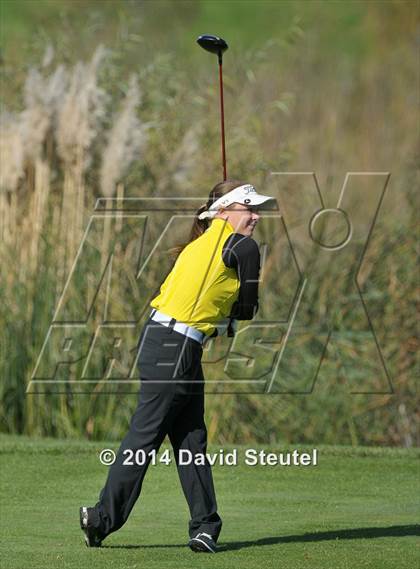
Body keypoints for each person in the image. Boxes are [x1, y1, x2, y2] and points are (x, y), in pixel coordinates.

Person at [80, 179, 275, 553]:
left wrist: (224, 317)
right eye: (248, 208)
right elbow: (249, 307)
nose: (255, 217)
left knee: (190, 440)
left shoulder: (201, 245)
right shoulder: (242, 246)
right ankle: (101, 518)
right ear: (224, 211)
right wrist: (235, 316)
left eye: (257, 210)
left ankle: (205, 526)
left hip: (171, 344)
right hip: (173, 348)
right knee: (144, 439)